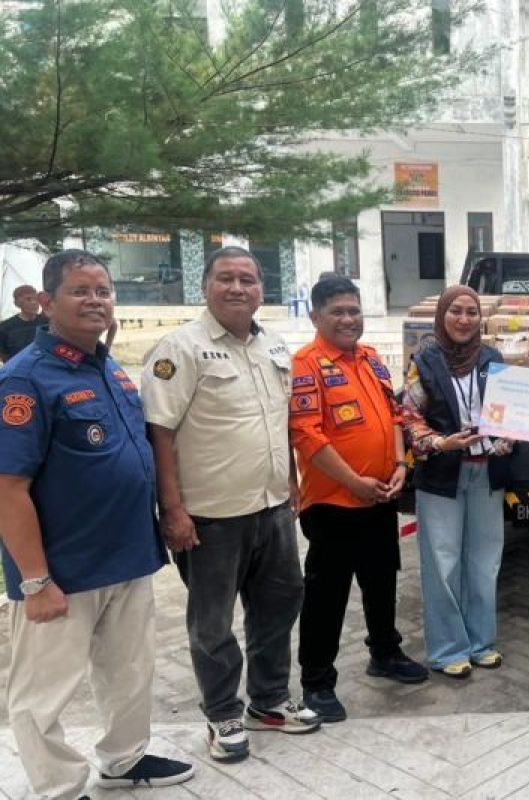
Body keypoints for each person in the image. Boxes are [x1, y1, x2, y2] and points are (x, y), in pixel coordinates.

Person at [0, 250, 192, 799]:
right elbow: (8, 488)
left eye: (103, 291)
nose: (95, 301)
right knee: (42, 693)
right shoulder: (24, 380)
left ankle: (124, 758)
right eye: (80, 291)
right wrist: (36, 581)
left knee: (129, 672)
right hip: (64, 569)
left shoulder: (106, 367)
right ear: (46, 301)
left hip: (128, 556)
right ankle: (59, 787)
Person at [141, 246, 320, 764]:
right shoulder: (180, 349)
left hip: (272, 508)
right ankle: (223, 712)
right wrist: (172, 509)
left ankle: (269, 701)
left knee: (279, 606)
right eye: (226, 278)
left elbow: (278, 421)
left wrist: (291, 480)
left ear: (261, 289)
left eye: (248, 279)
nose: (237, 288)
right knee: (212, 624)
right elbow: (159, 433)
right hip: (210, 518)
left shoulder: (274, 346)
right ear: (205, 286)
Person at [289, 276, 429, 723]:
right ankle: (317, 680)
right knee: (326, 594)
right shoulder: (306, 365)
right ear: (315, 316)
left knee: (382, 580)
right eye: (338, 312)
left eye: (354, 310)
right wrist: (353, 481)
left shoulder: (371, 359)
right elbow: (306, 434)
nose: (349, 319)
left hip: (381, 495)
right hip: (333, 502)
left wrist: (400, 465)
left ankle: (384, 652)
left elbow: (393, 416)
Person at [402, 286, 512, 679]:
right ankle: (448, 650)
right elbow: (409, 416)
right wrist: (438, 442)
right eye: (455, 311)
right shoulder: (424, 362)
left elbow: (509, 412)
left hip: (487, 473)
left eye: (471, 312)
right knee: (442, 563)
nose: (463, 320)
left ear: (480, 318)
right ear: (442, 316)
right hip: (442, 474)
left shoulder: (492, 359)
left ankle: (481, 643)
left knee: (484, 561)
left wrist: (509, 437)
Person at [0, 284, 49, 362]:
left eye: (36, 299)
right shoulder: (5, 327)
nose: (34, 302)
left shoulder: (46, 322)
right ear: (17, 303)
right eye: (28, 299)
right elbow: (4, 355)